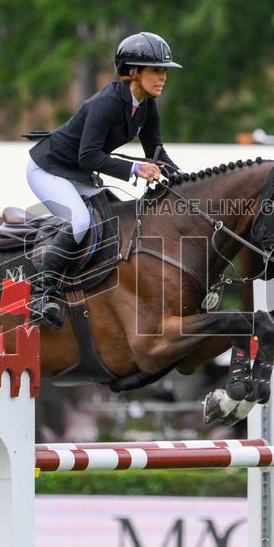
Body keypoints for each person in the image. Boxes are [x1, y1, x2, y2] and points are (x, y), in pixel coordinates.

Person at [25, 31, 182, 328]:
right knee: (80, 222)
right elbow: (89, 157)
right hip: (47, 169)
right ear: (132, 71)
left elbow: (156, 151)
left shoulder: (146, 104)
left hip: (77, 172)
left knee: (113, 219)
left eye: (164, 71)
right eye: (156, 70)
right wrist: (135, 170)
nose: (163, 77)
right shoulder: (107, 102)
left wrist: (185, 180)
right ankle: (41, 294)